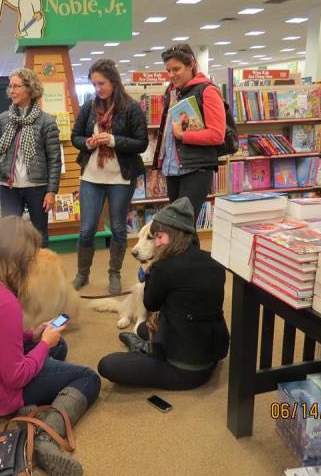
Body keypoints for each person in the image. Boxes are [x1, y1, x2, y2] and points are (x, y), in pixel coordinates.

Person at [0, 216, 100, 476]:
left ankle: (35, 403)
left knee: (57, 349)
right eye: (30, 260)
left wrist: (34, 334)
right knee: (88, 378)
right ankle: (44, 437)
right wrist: (44, 345)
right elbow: (15, 375)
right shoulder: (2, 300)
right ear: (18, 260)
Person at [97, 197, 229, 390]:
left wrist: (150, 271)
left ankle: (144, 349)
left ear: (175, 235)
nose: (157, 243)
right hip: (211, 355)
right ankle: (144, 343)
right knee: (142, 329)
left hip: (185, 369)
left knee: (107, 364)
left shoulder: (163, 268)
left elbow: (151, 304)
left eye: (159, 237)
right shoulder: (214, 260)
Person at [71, 58, 148, 294]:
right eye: (94, 84)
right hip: (91, 177)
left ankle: (114, 274)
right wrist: (89, 143)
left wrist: (113, 140)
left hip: (120, 178)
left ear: (113, 81)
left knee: (117, 228)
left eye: (101, 83)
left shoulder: (131, 107)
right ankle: (82, 274)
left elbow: (142, 143)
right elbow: (76, 137)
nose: (98, 89)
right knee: (86, 229)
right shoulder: (89, 107)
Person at [152, 44, 226, 246]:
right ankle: (179, 269)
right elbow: (167, 133)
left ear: (191, 64)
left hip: (195, 169)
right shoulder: (173, 92)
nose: (171, 75)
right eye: (168, 70)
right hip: (173, 170)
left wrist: (184, 136)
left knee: (184, 225)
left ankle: (192, 271)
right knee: (174, 227)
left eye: (176, 69)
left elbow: (217, 135)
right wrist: (158, 166)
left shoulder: (207, 91)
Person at [0, 67, 61, 248]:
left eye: (16, 86)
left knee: (39, 233)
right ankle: (13, 272)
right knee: (9, 234)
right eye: (10, 87)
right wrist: (2, 164)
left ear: (30, 89)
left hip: (37, 187)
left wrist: (51, 191)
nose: (11, 91)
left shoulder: (46, 121)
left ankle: (41, 271)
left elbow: (54, 159)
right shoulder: (4, 119)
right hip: (9, 187)